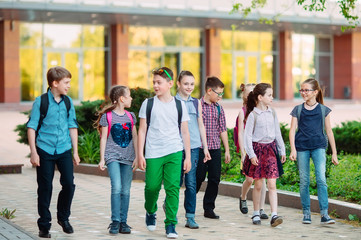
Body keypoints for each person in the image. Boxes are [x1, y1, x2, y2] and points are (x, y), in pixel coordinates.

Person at [137, 67, 191, 239]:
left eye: (159, 82)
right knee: (152, 187)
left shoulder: (179, 105)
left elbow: (185, 132)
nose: (155, 85)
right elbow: (142, 130)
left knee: (173, 188)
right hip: (154, 152)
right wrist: (140, 154)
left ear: (169, 84)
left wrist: (188, 157)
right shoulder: (149, 104)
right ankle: (151, 210)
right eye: (154, 82)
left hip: (175, 151)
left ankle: (170, 224)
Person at [27, 66, 80, 238]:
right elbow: (31, 127)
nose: (69, 85)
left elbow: (72, 126)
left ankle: (63, 218)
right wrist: (33, 152)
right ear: (54, 83)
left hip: (64, 148)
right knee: (45, 188)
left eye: (69, 82)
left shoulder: (68, 102)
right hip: (45, 149)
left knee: (69, 185)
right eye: (66, 82)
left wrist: (76, 152)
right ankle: (44, 225)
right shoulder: (40, 101)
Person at [289, 78, 339, 225]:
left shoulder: (324, 110)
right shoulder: (297, 110)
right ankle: (306, 214)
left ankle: (324, 215)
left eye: (306, 90)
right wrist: (293, 149)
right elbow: (292, 131)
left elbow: (329, 132)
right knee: (304, 181)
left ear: (315, 92)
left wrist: (334, 153)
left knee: (321, 180)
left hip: (319, 147)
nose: (303, 93)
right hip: (302, 148)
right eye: (301, 90)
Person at [94, 85, 138, 234]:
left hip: (128, 157)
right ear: (122, 99)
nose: (131, 98)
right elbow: (104, 139)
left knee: (126, 190)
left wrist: (138, 156)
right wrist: (102, 159)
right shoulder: (108, 117)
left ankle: (123, 222)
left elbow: (135, 137)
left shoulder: (131, 116)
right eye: (129, 96)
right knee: (117, 187)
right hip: (112, 156)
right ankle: (115, 221)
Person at [243, 83, 286, 227]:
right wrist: (251, 154)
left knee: (272, 184)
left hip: (271, 150)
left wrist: (282, 150)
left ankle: (274, 214)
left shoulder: (272, 113)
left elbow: (277, 133)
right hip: (258, 151)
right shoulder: (253, 115)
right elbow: (247, 137)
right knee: (259, 184)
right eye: (269, 95)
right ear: (260, 97)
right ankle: (256, 212)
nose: (272, 98)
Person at [175, 70, 211, 229]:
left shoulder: (196, 103)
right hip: (176, 147)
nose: (189, 87)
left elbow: (201, 125)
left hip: (195, 147)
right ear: (178, 84)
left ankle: (190, 217)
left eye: (191, 84)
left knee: (191, 183)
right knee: (175, 183)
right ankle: (169, 206)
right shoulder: (172, 102)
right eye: (185, 84)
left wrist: (206, 147)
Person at [196, 76, 231, 219]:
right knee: (197, 178)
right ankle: (189, 205)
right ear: (209, 91)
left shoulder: (219, 108)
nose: (221, 97)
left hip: (215, 148)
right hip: (199, 148)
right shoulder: (197, 105)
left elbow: (222, 129)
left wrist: (227, 149)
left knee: (214, 179)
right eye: (219, 93)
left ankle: (208, 208)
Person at [237, 83, 268, 220]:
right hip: (248, 148)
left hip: (261, 148)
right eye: (248, 93)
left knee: (262, 179)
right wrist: (244, 153)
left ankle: (261, 209)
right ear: (244, 95)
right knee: (249, 179)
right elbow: (241, 133)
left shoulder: (263, 111)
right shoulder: (243, 112)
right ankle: (243, 196)